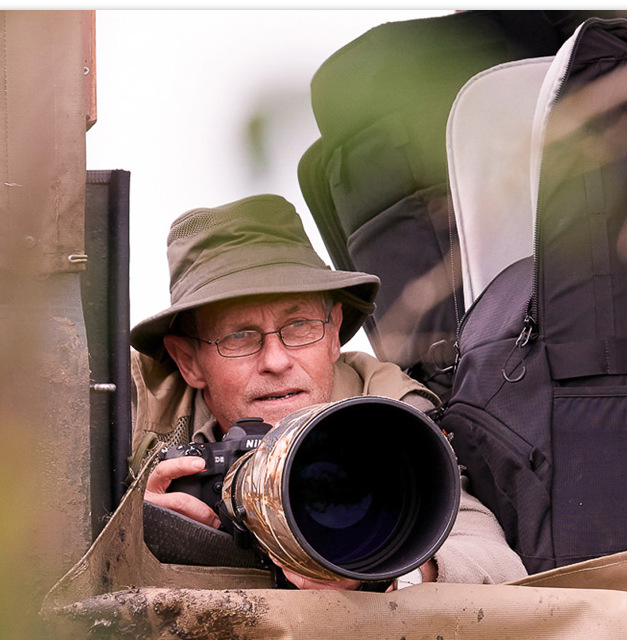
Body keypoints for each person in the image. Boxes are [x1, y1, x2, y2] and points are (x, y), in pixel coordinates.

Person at [128, 194, 525, 590]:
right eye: (240, 336)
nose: (277, 360)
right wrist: (135, 528)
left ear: (334, 331)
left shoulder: (389, 419)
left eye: (299, 325)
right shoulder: (133, 419)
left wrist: (386, 572)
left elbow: (498, 566)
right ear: (188, 361)